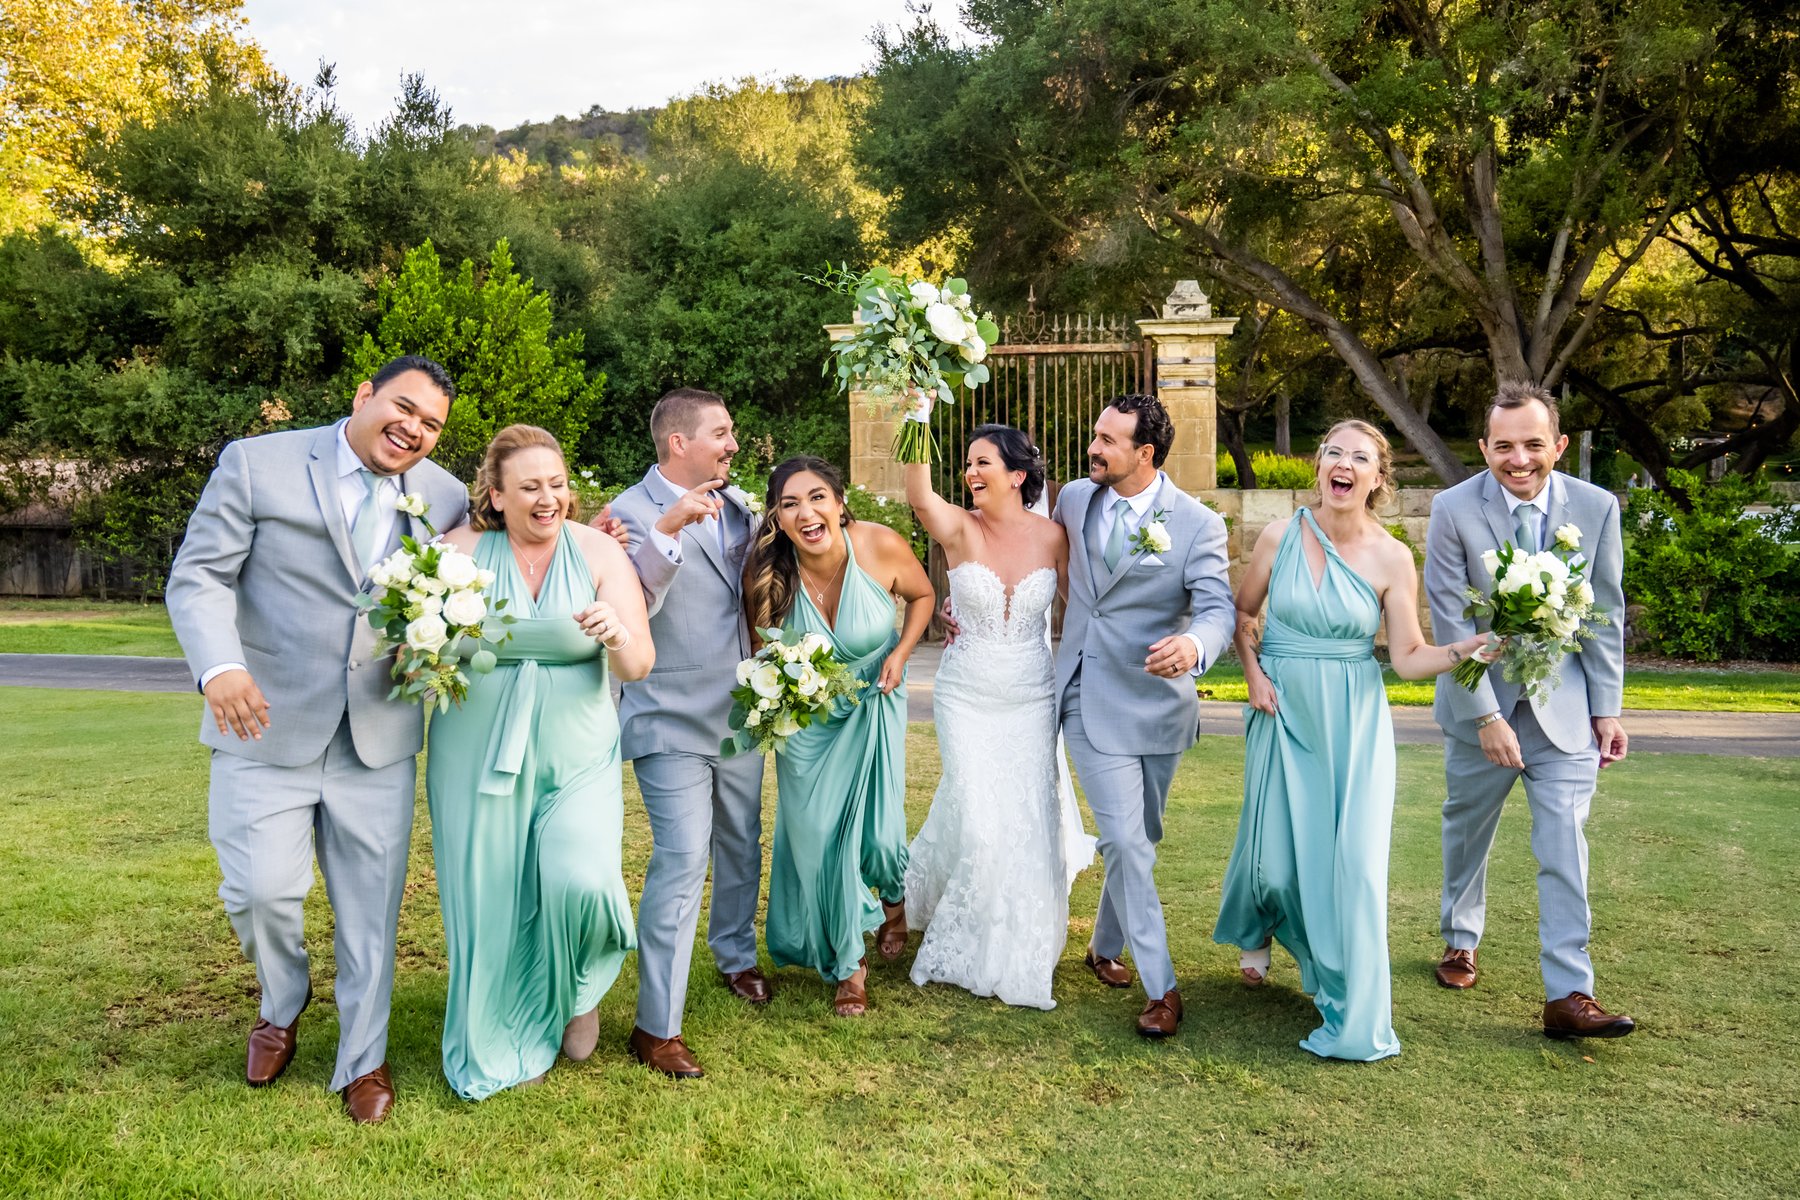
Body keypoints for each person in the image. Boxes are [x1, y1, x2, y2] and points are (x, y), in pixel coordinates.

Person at [166, 356, 468, 1124]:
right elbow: (199, 576)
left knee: (371, 911)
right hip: (262, 721)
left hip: (379, 734)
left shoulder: (445, 496)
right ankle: (282, 1000)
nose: (415, 430)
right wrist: (220, 668)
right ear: (364, 395)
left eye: (432, 424)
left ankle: (363, 1060)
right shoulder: (255, 463)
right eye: (404, 408)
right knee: (259, 892)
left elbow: (479, 570)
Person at [1213, 420, 1500, 1061]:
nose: (1343, 464)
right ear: (1319, 466)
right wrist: (1253, 675)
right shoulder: (1279, 535)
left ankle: (1353, 1001)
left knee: (1357, 868)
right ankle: (1264, 923)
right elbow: (1244, 612)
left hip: (1353, 720)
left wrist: (1468, 649)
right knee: (1276, 862)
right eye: (1334, 453)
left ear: (1377, 478)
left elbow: (1408, 658)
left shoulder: (1393, 557)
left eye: (1359, 457)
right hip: (1282, 708)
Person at [426, 425, 651, 1100]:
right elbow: (415, 646)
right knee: (488, 892)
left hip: (578, 750)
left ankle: (577, 993)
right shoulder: (458, 552)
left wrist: (616, 634)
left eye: (556, 484)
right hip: (475, 752)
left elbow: (639, 665)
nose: (548, 498)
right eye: (529, 487)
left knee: (582, 879)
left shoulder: (599, 551)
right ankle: (497, 1025)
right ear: (496, 496)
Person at [1425, 380, 1634, 1040]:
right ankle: (1461, 938)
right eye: (1504, 446)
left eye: (1533, 444)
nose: (1519, 459)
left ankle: (1569, 994)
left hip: (1564, 713)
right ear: (1484, 447)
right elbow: (1450, 622)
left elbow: (1605, 615)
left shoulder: (1597, 508)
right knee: (1467, 833)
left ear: (1559, 445)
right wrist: (1486, 717)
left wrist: (1607, 709)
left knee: (1565, 848)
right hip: (1480, 707)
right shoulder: (1452, 509)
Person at [1053, 394, 1236, 1038]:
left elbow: (1217, 609)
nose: (1093, 448)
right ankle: (1163, 988)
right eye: (1095, 434)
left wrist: (1193, 646)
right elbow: (1026, 547)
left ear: (1146, 453)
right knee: (1125, 841)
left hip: (1158, 702)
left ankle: (1103, 945)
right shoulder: (1074, 499)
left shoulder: (1197, 524)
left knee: (1142, 837)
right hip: (1085, 692)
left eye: (1108, 440)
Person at [901, 425, 1094, 1010]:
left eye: (982, 462)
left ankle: (1019, 942)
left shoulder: (1055, 537)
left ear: (1017, 475)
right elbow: (919, 495)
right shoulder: (961, 528)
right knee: (978, 813)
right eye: (966, 464)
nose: (970, 473)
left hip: (1032, 696)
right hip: (966, 693)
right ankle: (964, 932)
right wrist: (917, 415)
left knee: (1026, 819)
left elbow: (1084, 610)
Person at [606, 388, 768, 1079]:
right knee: (681, 858)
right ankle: (657, 1026)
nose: (733, 444)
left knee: (741, 840)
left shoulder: (741, 508)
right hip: (666, 714)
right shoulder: (624, 514)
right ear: (680, 443)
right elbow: (629, 609)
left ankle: (735, 956)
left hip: (740, 712)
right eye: (721, 433)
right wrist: (667, 531)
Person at [741, 456, 933, 1017]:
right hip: (809, 722)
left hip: (875, 699)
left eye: (817, 497)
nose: (806, 513)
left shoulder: (879, 545)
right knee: (819, 838)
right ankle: (850, 965)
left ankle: (893, 901)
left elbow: (922, 596)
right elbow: (762, 654)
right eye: (790, 504)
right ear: (777, 517)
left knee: (880, 836)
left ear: (840, 502)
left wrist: (901, 653)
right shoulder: (767, 574)